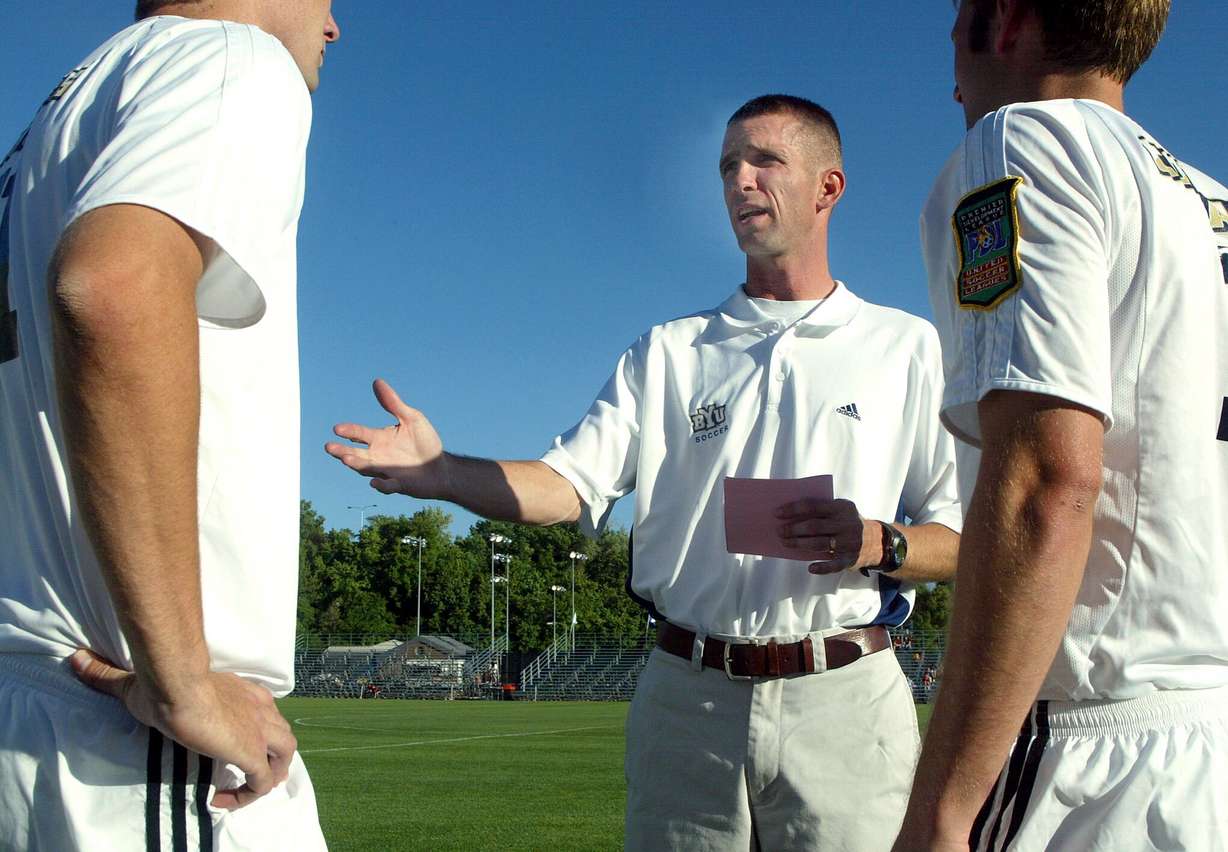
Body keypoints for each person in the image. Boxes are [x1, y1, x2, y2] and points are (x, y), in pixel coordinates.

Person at [327, 93, 963, 850]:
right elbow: (567, 485)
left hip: (847, 696)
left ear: (829, 187)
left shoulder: (906, 348)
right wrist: (443, 471)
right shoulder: (669, 352)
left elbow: (963, 537)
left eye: (765, 161)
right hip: (687, 700)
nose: (740, 182)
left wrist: (879, 542)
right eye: (729, 165)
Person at [0, 2, 340, 849]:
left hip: (41, 701)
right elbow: (113, 288)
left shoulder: (52, 124)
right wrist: (182, 678)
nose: (335, 27)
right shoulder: (229, 61)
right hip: (141, 744)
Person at [898, 1, 1228, 849]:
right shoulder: (1211, 206)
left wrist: (940, 811)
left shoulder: (1024, 144)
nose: (948, 39)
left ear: (1006, 21)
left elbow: (1046, 485)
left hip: (1103, 755)